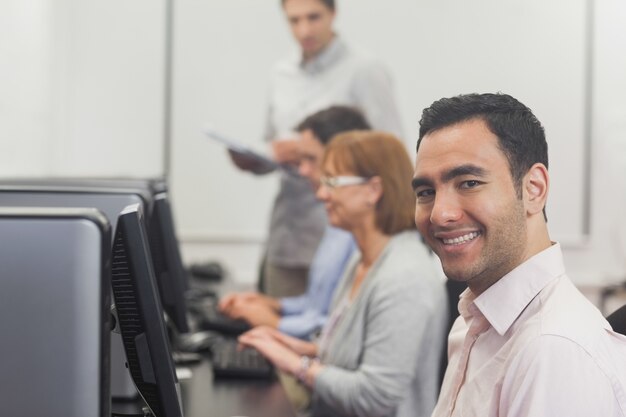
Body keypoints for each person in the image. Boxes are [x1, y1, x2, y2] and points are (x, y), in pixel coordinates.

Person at [412, 92, 626, 417]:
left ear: (533, 189)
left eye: (469, 183)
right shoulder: (471, 323)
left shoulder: (554, 349)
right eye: (426, 192)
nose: (439, 214)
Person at [239, 131, 447, 417]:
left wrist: (295, 364)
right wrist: (300, 347)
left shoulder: (404, 277)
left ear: (373, 190)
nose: (322, 193)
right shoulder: (362, 261)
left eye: (332, 182)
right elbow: (350, 358)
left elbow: (374, 396)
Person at [231, 0, 404, 298]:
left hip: (342, 231)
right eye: (294, 20)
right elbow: (272, 141)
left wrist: (313, 151)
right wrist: (260, 158)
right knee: (270, 323)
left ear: (333, 14)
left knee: (329, 331)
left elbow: (390, 153)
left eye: (313, 17)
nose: (304, 29)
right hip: (288, 231)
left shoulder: (364, 70)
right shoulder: (280, 73)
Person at [219, 106, 370, 339]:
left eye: (311, 159)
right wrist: (270, 305)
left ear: (345, 159)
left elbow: (341, 328)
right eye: (300, 160)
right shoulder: (337, 226)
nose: (303, 171)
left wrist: (276, 323)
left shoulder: (365, 237)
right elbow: (316, 305)